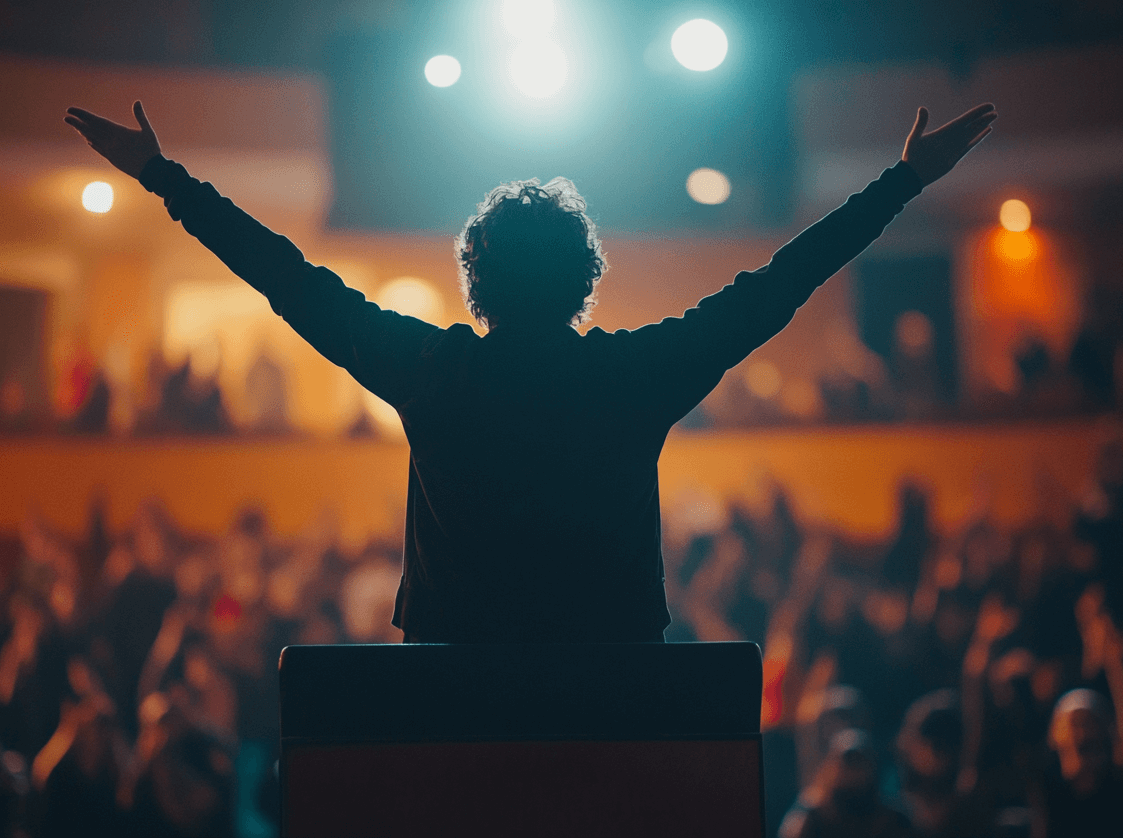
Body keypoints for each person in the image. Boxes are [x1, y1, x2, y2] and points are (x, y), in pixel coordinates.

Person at [65, 98, 996, 643]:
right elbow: (782, 283)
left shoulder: (431, 369)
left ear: (474, 278)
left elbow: (288, 278)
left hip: (452, 703)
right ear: (589, 279)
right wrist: (904, 179)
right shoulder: (638, 374)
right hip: (612, 703)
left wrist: (164, 175)